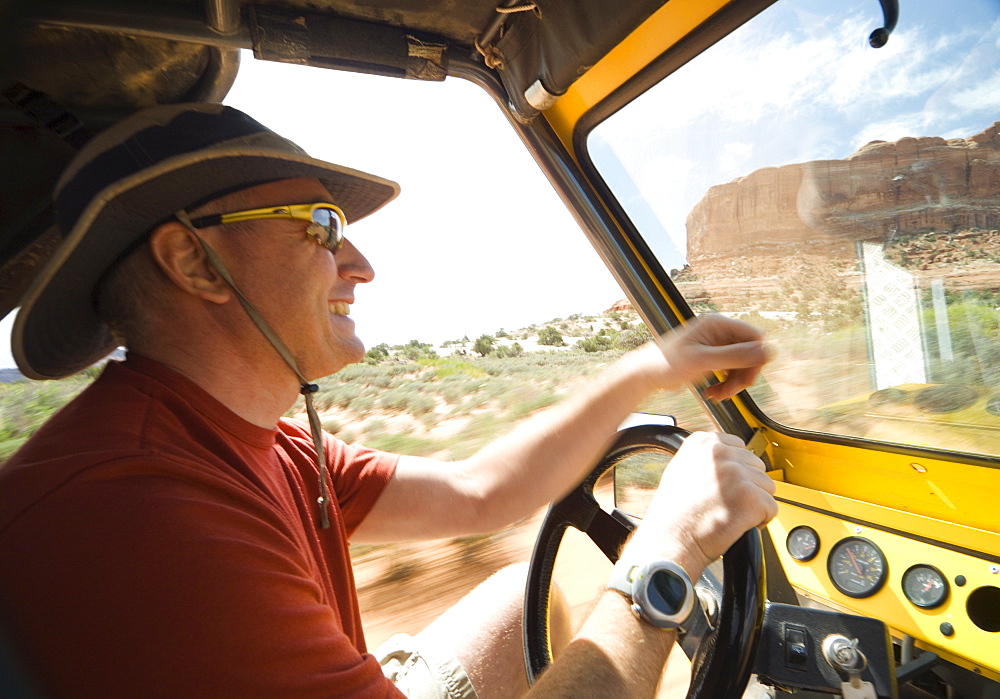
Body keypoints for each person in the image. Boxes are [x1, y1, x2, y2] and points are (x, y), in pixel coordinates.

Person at [0, 103, 777, 698]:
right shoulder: (132, 506)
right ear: (194, 260)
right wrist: (667, 555)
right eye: (323, 225)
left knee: (523, 594)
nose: (360, 263)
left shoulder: (260, 440)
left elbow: (480, 491)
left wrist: (648, 368)